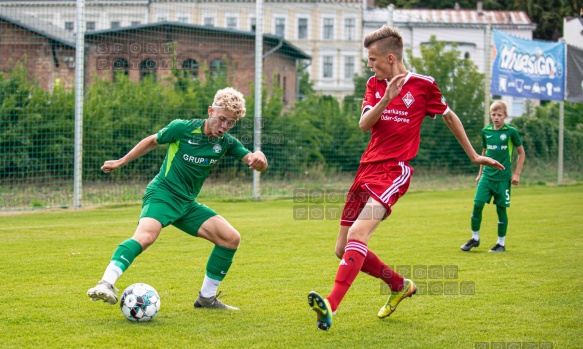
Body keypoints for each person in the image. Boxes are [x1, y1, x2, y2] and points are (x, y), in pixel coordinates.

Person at [307, 25, 504, 331]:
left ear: (389, 57)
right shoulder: (374, 84)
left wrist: (474, 156)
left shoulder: (424, 86)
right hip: (366, 169)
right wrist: (386, 99)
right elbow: (364, 124)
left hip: (394, 171)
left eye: (372, 59)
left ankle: (330, 305)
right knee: (342, 248)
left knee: (359, 236)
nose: (369, 65)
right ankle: (399, 286)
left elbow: (450, 116)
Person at [87, 87, 268, 310]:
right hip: (163, 194)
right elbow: (152, 141)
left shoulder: (226, 143)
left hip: (187, 204)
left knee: (230, 238)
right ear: (211, 111)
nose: (224, 126)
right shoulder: (182, 128)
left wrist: (260, 158)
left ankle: (206, 299)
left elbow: (252, 158)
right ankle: (106, 283)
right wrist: (120, 162)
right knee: (146, 236)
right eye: (221, 119)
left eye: (230, 123)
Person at [461, 100, 525, 253]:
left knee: (501, 210)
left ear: (505, 116)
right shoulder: (486, 131)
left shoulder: (511, 132)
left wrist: (517, 173)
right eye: (493, 114)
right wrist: (480, 173)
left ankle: (500, 244)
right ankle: (475, 238)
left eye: (499, 115)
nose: (496, 117)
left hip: (503, 179)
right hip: (487, 178)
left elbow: (521, 153)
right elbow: (484, 153)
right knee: (477, 205)